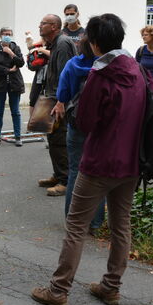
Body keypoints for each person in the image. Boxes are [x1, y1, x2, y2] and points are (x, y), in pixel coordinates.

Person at [31, 13, 153, 305]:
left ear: (96, 43)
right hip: (130, 162)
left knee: (76, 226)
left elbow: (85, 122)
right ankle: (111, 287)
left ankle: (58, 290)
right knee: (121, 226)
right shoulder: (138, 69)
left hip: (99, 161)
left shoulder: (100, 76)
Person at [52, 37, 105, 234]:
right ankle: (96, 223)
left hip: (77, 123)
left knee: (75, 170)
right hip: (101, 126)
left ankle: (71, 220)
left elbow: (63, 93)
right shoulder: (106, 65)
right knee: (98, 172)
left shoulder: (73, 64)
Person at [38, 15, 76, 197]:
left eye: (43, 23)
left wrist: (61, 101)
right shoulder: (55, 44)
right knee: (53, 139)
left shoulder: (62, 44)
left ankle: (65, 181)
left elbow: (66, 75)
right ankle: (58, 174)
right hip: (53, 98)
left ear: (53, 26)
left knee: (60, 140)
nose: (40, 25)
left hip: (61, 101)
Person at [0, 27, 25, 146]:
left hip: (14, 83)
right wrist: (9, 70)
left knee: (16, 111)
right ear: (0, 35)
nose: (7, 36)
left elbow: (21, 63)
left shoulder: (16, 48)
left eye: (9, 34)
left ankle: (18, 136)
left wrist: (11, 53)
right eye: (5, 34)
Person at [25, 32, 50, 118]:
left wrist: (42, 50)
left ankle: (47, 123)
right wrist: (29, 39)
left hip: (51, 76)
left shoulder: (56, 44)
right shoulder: (41, 44)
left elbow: (54, 55)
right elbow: (30, 47)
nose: (42, 40)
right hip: (39, 75)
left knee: (48, 99)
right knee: (33, 98)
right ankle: (31, 122)